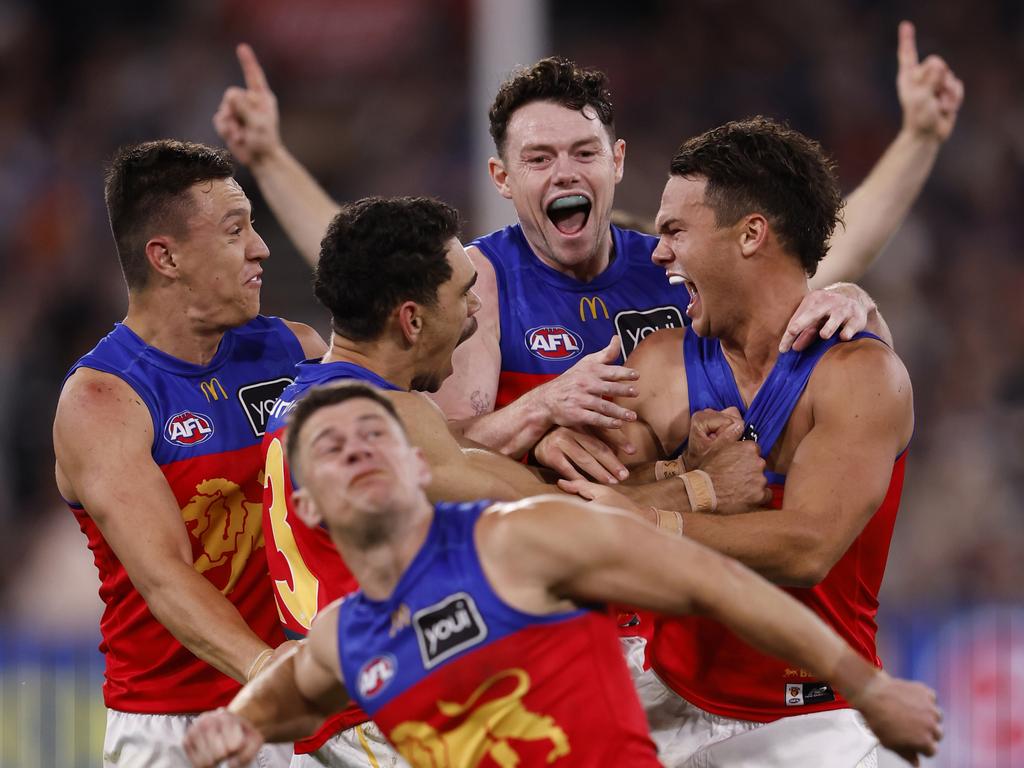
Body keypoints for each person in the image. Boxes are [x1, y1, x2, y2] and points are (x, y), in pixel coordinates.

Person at [212, 20, 962, 481]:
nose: (565, 172)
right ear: (503, 179)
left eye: (583, 151)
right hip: (540, 597)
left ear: (618, 163)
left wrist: (918, 144)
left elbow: (827, 251)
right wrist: (541, 410)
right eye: (539, 160)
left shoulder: (676, 265)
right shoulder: (480, 283)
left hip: (665, 587)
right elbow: (427, 429)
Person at [182, 381, 943, 768]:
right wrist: (239, 724)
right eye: (332, 447)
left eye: (373, 433)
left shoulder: (523, 540)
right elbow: (289, 693)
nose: (355, 448)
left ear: (420, 465)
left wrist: (867, 687)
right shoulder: (346, 636)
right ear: (309, 507)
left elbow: (713, 584)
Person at [260, 194, 766, 766]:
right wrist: (703, 490)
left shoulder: (320, 396)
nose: (474, 310)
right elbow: (561, 526)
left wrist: (676, 469)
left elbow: (531, 492)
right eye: (461, 294)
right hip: (385, 730)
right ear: (412, 319)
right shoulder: (376, 423)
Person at [554, 117, 923, 766]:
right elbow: (578, 502)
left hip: (818, 724)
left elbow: (808, 547)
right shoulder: (660, 367)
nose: (659, 254)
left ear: (751, 234)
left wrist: (653, 520)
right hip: (668, 713)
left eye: (675, 232)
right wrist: (694, 482)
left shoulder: (859, 376)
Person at [52, 140, 326, 767]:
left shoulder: (296, 351)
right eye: (236, 230)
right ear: (165, 256)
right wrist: (269, 668)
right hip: (173, 725)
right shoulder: (103, 399)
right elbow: (164, 575)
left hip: (300, 711)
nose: (260, 247)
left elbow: (411, 440)